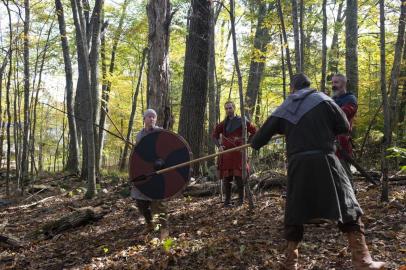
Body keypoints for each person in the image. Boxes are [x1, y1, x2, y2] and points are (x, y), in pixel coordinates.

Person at [251, 74, 386, 270]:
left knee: (295, 213)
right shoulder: (325, 100)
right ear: (308, 86)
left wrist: (285, 128)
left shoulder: (286, 106)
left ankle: (291, 262)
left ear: (292, 88)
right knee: (348, 206)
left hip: (298, 164)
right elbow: (343, 127)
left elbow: (257, 141)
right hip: (326, 160)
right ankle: (362, 261)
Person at [131, 109, 168, 237]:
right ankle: (149, 224)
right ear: (144, 119)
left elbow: (168, 149)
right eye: (149, 117)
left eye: (154, 117)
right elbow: (138, 156)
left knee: (160, 201)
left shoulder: (161, 132)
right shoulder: (139, 135)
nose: (151, 119)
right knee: (140, 199)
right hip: (145, 172)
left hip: (160, 172)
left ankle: (164, 228)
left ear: (156, 119)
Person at [212, 101, 257, 207]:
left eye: (230, 108)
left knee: (239, 178)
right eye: (226, 108)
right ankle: (227, 201)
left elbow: (254, 130)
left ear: (234, 108)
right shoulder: (223, 123)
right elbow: (214, 135)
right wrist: (219, 146)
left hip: (238, 154)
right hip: (226, 155)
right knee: (227, 179)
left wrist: (247, 143)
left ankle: (240, 201)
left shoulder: (243, 120)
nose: (228, 110)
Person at [332, 74, 358, 192]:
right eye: (333, 83)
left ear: (343, 83)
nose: (333, 85)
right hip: (329, 143)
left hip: (342, 143)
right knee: (332, 175)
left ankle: (352, 201)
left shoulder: (350, 99)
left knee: (346, 174)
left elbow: (342, 114)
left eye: (336, 83)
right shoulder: (332, 100)